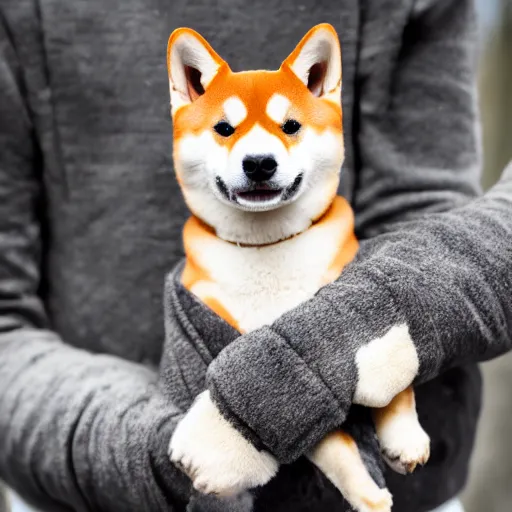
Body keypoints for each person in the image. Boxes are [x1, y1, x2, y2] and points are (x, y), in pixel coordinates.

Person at [0, 0, 510, 511]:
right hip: (86, 487)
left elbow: (423, 212)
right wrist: (160, 451)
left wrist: (322, 365)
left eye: (286, 130)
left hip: (407, 487)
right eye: (227, 131)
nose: (259, 154)